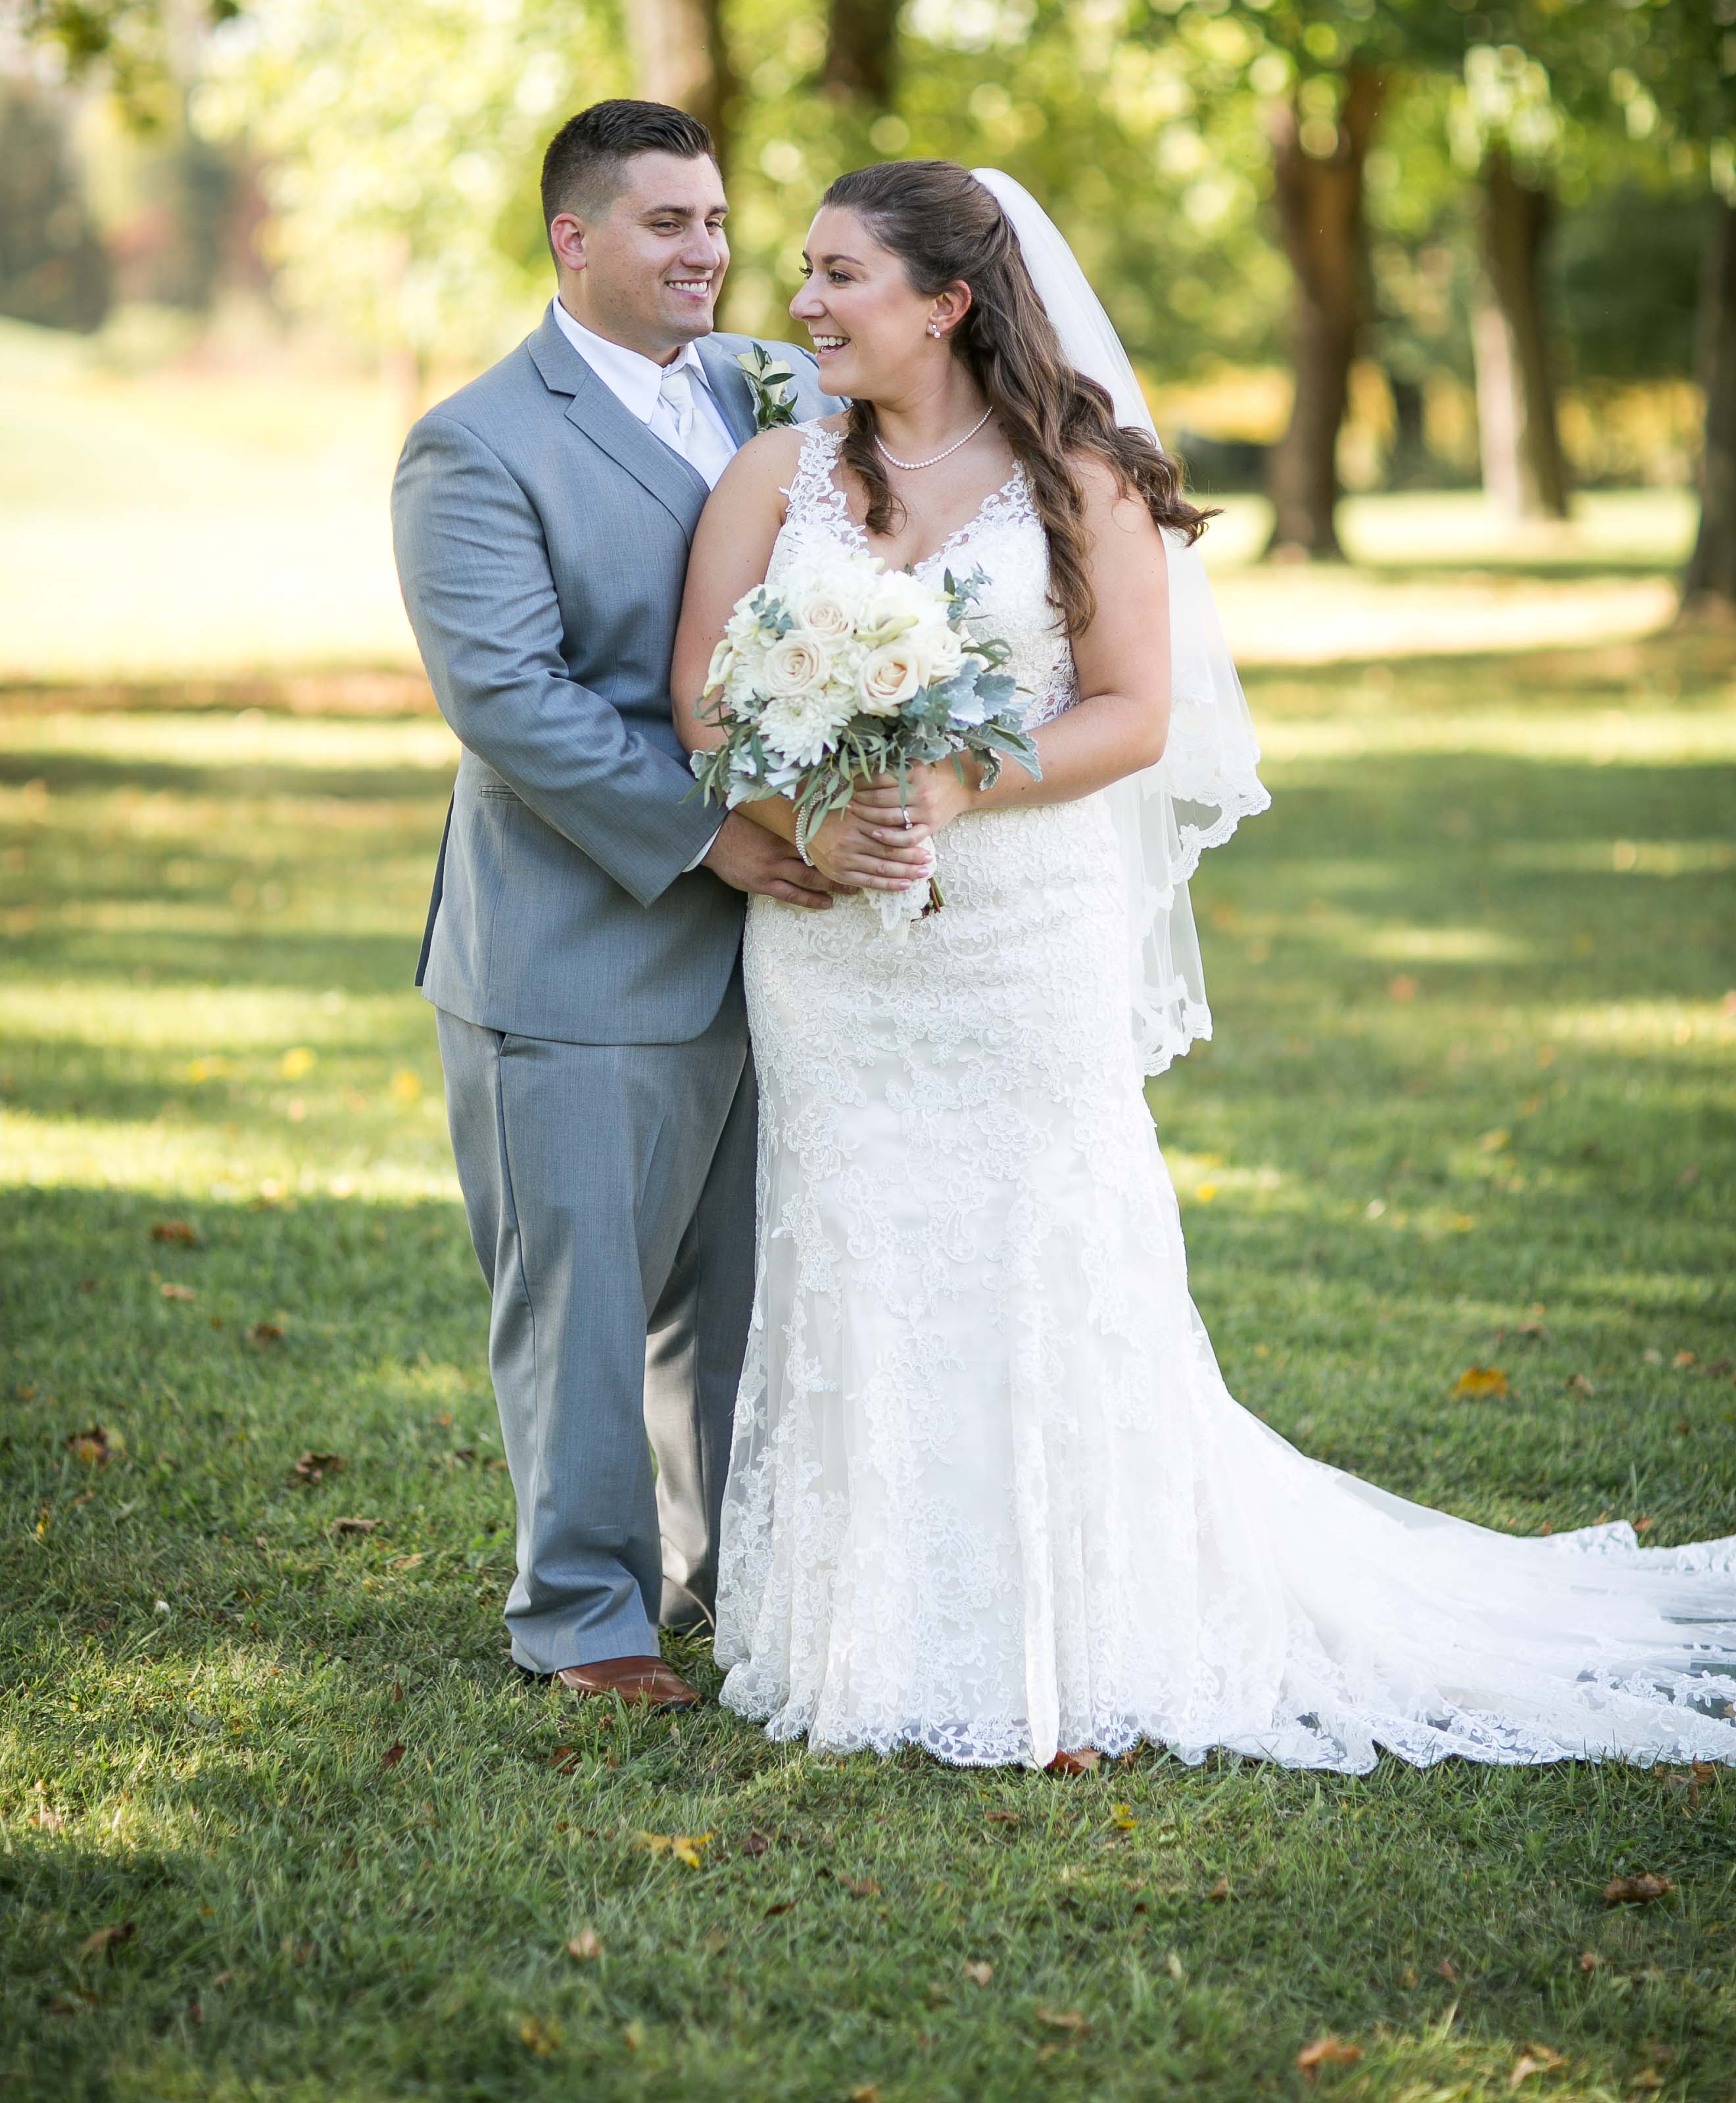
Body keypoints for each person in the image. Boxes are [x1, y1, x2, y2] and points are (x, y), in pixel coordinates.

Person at [671, 158, 1736, 1772]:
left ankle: (1087, 1626)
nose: (802, 302)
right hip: (831, 948)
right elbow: (702, 700)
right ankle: (876, 1628)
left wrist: (957, 781)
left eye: (840, 274)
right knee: (854, 1248)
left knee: (1044, 1245)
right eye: (806, 270)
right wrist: (812, 818)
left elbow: (1133, 714)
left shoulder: (1081, 476)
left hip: (1023, 932)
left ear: (946, 303)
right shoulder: (775, 474)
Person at [392, 98, 831, 1708]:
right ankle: (588, 1617)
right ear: (573, 239)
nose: (706, 251)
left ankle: (726, 1580)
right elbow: (508, 698)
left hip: (782, 947)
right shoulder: (476, 443)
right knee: (580, 1303)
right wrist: (713, 839)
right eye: (667, 223)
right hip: (578, 943)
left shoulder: (774, 385)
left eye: (714, 219)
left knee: (739, 1295)